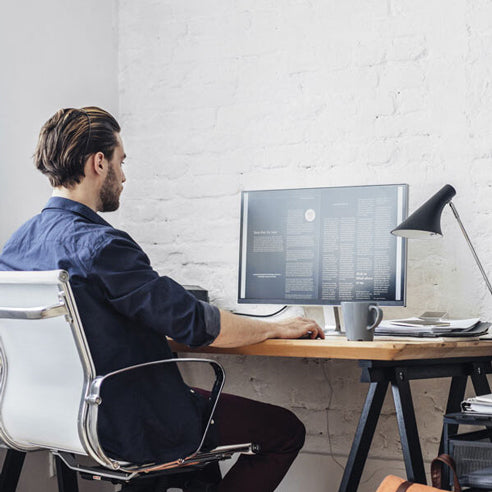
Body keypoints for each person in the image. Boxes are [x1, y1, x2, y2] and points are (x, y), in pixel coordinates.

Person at [0, 107, 324, 491]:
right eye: (121, 162)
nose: (123, 175)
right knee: (284, 430)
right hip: (129, 421)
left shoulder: (15, 246)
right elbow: (199, 325)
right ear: (98, 162)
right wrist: (277, 327)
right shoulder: (101, 245)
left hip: (59, 418)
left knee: (191, 458)